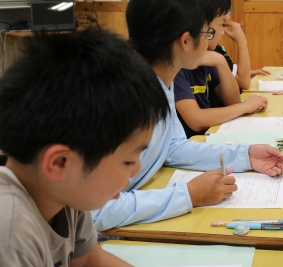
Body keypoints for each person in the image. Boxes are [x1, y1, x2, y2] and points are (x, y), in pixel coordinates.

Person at [91, 0, 283, 232]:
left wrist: (245, 155)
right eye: (208, 32)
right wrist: (187, 195)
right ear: (185, 41)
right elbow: (93, 211)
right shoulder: (119, 99)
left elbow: (172, 146)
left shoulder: (162, 80)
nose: (211, 39)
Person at [0, 29, 170, 266]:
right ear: (60, 162)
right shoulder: (9, 234)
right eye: (129, 161)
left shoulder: (65, 193)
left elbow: (90, 259)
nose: (136, 170)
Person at [174, 0, 269, 138]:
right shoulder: (177, 65)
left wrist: (220, 62)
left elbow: (232, 101)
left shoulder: (209, 56)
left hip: (208, 135)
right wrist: (244, 106)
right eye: (219, 25)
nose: (221, 32)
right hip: (194, 140)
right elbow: (196, 120)